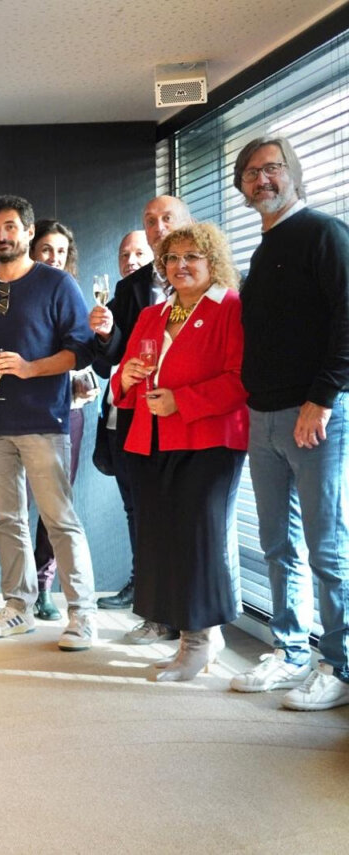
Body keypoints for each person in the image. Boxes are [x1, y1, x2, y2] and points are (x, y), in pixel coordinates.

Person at [231, 135, 349, 710]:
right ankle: (292, 652)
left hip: (313, 415)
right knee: (278, 544)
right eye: (251, 173)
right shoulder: (263, 247)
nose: (262, 180)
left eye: (271, 168)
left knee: (327, 547)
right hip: (263, 414)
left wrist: (322, 399)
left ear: (293, 172)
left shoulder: (324, 233)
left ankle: (341, 666)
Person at [114, 223, 247, 681]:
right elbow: (121, 381)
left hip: (209, 439)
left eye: (192, 256)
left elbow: (240, 378)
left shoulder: (231, 308)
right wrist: (126, 378)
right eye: (172, 258)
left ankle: (201, 641)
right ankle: (187, 638)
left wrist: (182, 402)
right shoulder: (154, 314)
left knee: (198, 540)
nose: (181, 265)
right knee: (164, 541)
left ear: (213, 261)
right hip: (151, 439)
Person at [0, 195, 98, 650]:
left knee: (59, 520)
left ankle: (82, 616)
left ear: (26, 232)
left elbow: (79, 349)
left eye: (9, 227)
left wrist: (29, 368)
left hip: (43, 419)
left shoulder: (57, 284)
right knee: (6, 519)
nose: (2, 236)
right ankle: (17, 608)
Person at [89, 196, 193, 636]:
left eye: (167, 218)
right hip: (138, 420)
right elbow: (108, 361)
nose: (158, 226)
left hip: (192, 419)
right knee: (144, 515)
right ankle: (154, 610)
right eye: (150, 220)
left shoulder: (208, 283)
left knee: (189, 518)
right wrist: (109, 334)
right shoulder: (130, 290)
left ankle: (192, 616)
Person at [27, 219, 99, 621]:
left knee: (56, 508)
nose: (53, 257)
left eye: (59, 251)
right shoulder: (16, 293)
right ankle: (18, 587)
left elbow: (87, 356)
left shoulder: (74, 295)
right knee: (16, 506)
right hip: (19, 413)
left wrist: (85, 381)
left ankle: (43, 587)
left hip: (65, 412)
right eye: (45, 250)